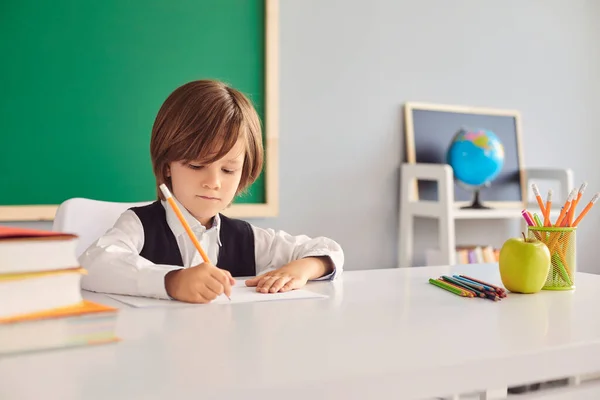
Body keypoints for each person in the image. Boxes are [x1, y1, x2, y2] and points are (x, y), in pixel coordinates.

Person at [80, 79, 344, 304]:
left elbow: (327, 249)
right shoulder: (138, 225)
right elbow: (93, 265)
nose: (213, 182)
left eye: (228, 170)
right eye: (197, 165)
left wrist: (304, 267)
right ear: (167, 166)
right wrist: (172, 281)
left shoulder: (247, 238)